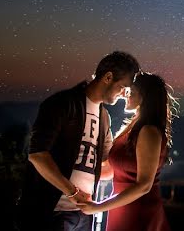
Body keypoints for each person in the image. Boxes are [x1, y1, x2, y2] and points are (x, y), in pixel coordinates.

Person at [15, 51, 141, 231]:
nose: (123, 94)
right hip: (50, 212)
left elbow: (106, 165)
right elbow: (37, 155)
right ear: (108, 77)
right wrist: (72, 193)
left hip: (83, 215)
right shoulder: (62, 103)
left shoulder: (104, 117)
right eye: (123, 87)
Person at [78, 72, 178, 231]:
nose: (125, 95)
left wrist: (98, 207)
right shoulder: (133, 126)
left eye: (131, 92)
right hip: (121, 208)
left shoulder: (148, 131)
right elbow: (116, 169)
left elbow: (144, 185)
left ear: (144, 97)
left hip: (138, 211)